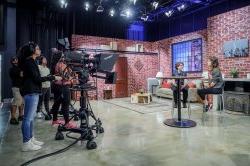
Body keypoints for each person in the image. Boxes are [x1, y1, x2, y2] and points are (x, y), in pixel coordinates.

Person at [18, 42, 59, 152]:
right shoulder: (29, 62)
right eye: (37, 48)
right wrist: (52, 78)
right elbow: (37, 79)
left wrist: (50, 77)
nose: (39, 50)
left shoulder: (31, 62)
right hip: (31, 92)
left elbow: (36, 78)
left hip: (33, 91)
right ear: (32, 51)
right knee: (27, 119)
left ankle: (30, 139)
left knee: (30, 119)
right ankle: (26, 143)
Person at [50, 55, 75, 128]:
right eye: (62, 56)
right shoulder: (61, 65)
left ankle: (55, 120)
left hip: (57, 86)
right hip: (63, 87)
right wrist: (71, 79)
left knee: (56, 103)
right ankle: (67, 123)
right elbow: (66, 77)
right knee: (65, 104)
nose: (64, 58)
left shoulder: (55, 64)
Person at [9, 56, 24, 125]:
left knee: (21, 102)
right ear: (12, 61)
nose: (16, 60)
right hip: (16, 87)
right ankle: (13, 118)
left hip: (22, 87)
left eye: (16, 59)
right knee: (16, 102)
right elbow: (21, 75)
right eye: (14, 60)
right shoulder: (12, 69)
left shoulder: (19, 68)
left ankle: (20, 116)